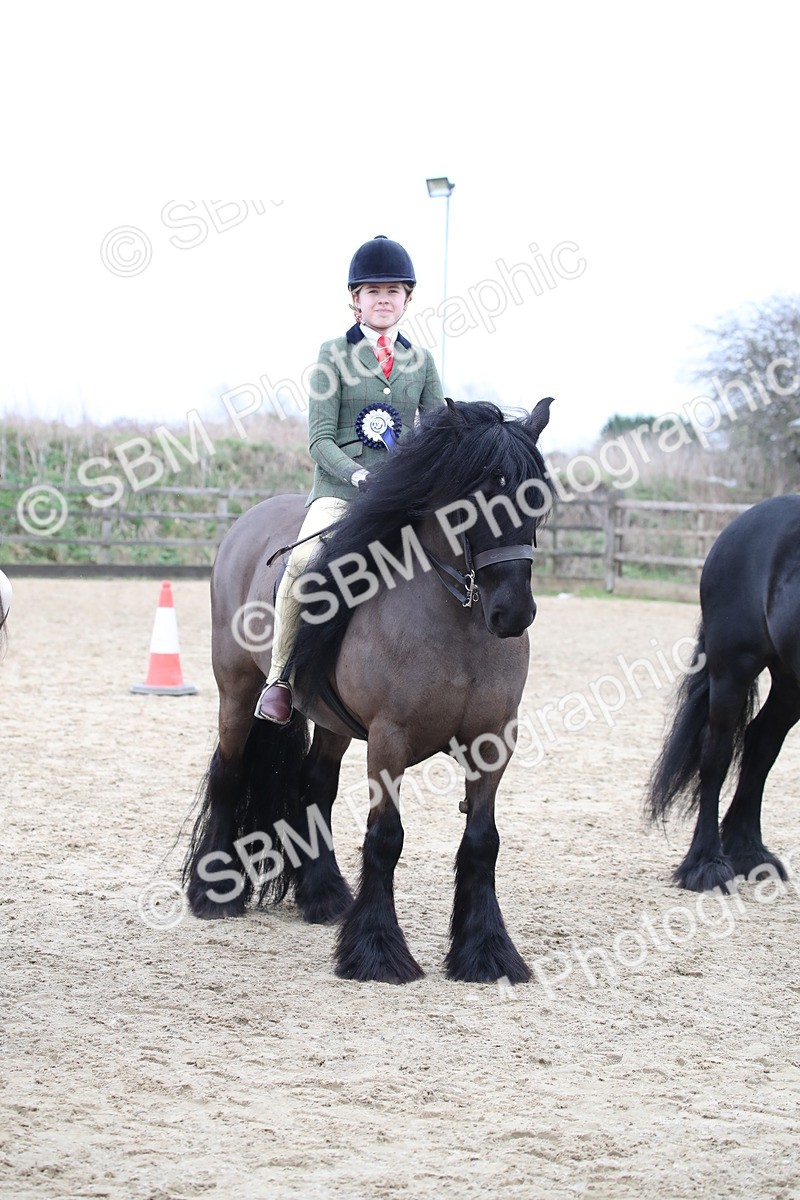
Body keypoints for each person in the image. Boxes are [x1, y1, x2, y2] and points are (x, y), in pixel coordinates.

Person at [255, 235, 445, 724]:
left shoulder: (422, 362)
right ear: (355, 300)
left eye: (394, 291)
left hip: (402, 496)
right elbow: (319, 440)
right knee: (301, 563)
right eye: (373, 291)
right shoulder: (331, 354)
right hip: (342, 493)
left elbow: (437, 430)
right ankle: (280, 678)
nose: (384, 299)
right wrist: (358, 475)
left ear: (407, 299)